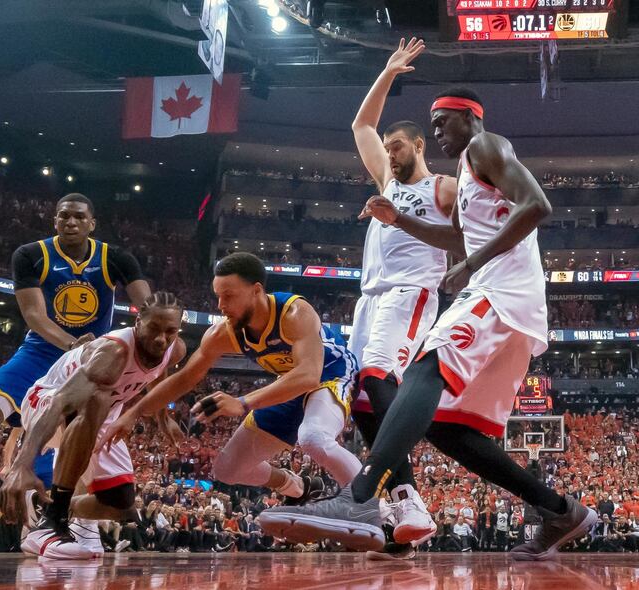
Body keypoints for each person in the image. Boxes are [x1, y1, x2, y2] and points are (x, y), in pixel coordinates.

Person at [258, 80, 597, 560]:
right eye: (433, 124)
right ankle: (560, 510)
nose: (438, 131)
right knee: (442, 425)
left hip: (500, 292)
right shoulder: (465, 175)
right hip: (509, 306)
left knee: (422, 369)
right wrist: (399, 221)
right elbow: (459, 241)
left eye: (443, 122)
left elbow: (537, 205)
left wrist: (473, 265)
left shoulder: (486, 146)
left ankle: (361, 496)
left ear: (470, 117)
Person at [0, 193, 150, 552]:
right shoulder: (31, 254)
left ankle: (73, 527)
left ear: (91, 223)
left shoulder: (116, 259)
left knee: (82, 446)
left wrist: (154, 324)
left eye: (79, 217)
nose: (71, 222)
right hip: (41, 352)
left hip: (89, 364)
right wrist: (72, 344)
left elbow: (146, 306)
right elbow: (35, 315)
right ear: (55, 221)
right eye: (64, 216)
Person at [104, 252, 360, 507]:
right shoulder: (223, 333)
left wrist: (243, 402)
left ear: (256, 291)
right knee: (227, 470)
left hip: (330, 373)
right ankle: (299, 487)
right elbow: (185, 378)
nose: (220, 306)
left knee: (313, 437)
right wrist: (133, 412)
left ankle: (370, 508)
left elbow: (308, 374)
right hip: (289, 384)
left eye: (228, 296)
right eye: (218, 296)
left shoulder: (294, 312)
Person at [349, 37, 457, 548]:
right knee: (362, 404)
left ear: (419, 146)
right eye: (386, 148)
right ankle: (405, 508)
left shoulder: (443, 187)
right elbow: (361, 125)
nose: (388, 154)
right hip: (368, 298)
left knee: (376, 371)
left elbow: (469, 237)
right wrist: (389, 71)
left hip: (411, 292)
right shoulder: (386, 183)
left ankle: (402, 498)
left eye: (397, 147)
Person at [0, 292, 186, 559]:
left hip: (101, 414)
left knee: (121, 505)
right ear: (138, 322)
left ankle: (54, 510)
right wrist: (22, 464)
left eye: (170, 331)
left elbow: (159, 372)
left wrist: (162, 416)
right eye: (153, 329)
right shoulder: (114, 352)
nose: (161, 339)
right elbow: (62, 404)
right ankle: (49, 525)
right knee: (98, 398)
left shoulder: (174, 348)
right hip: (48, 401)